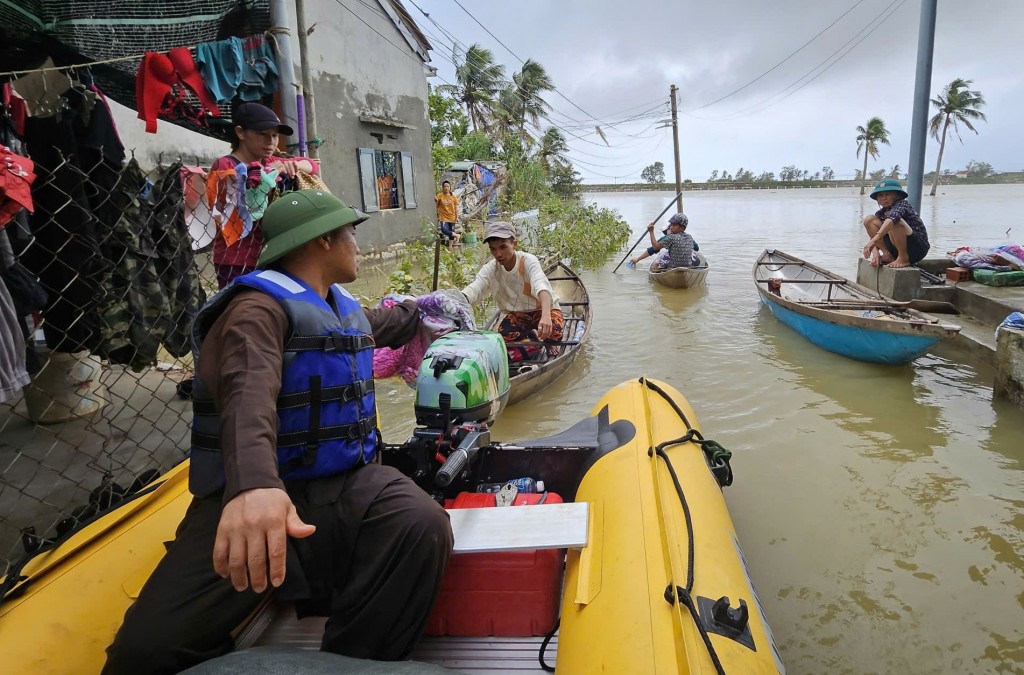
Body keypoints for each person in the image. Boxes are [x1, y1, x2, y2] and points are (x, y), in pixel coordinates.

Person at [103, 190, 454, 675]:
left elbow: (379, 324)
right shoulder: (254, 312)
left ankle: (355, 661)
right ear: (325, 240)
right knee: (146, 652)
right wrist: (255, 487)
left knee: (420, 522)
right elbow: (248, 396)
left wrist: (424, 312)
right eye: (350, 232)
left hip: (345, 481)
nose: (355, 242)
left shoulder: (338, 305)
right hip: (256, 490)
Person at [210, 102, 318, 290]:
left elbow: (313, 165)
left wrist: (292, 166)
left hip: (270, 254)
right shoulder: (225, 165)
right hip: (236, 258)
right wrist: (267, 175)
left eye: (275, 136)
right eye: (262, 134)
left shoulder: (269, 161)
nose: (271, 142)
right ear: (240, 133)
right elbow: (236, 198)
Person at [461, 222, 563, 362]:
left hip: (543, 309)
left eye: (503, 247)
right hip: (518, 314)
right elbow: (475, 288)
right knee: (503, 336)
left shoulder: (528, 261)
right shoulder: (490, 269)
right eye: (493, 249)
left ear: (514, 244)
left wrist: (546, 316)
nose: (498, 254)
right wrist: (457, 300)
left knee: (555, 330)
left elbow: (541, 286)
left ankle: (548, 341)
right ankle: (534, 336)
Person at [862, 178, 930, 269]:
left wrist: (872, 241)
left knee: (894, 222)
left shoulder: (902, 205)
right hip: (895, 248)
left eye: (887, 194)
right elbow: (876, 234)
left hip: (917, 248)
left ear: (896, 195)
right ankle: (888, 254)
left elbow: (892, 220)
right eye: (880, 195)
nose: (883, 198)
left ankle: (903, 258)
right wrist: (875, 252)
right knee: (869, 220)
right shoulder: (881, 213)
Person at [628, 213, 697, 270]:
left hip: (673, 268)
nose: (671, 227)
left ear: (682, 228)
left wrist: (651, 231)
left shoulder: (671, 237)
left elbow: (655, 247)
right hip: (688, 267)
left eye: (674, 225)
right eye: (671, 225)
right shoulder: (689, 237)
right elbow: (696, 248)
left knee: (656, 265)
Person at [435, 180, 459, 248]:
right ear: (442, 187)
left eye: (448, 186)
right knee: (444, 230)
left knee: (451, 232)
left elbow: (456, 208)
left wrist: (456, 217)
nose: (446, 188)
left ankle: (450, 247)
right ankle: (457, 235)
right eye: (445, 186)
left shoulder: (453, 197)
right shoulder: (439, 196)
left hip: (452, 217)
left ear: (450, 187)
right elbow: (436, 206)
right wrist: (436, 201)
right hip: (443, 217)